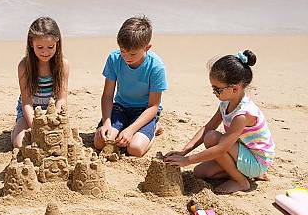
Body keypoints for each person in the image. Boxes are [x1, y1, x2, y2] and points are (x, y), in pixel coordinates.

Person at [165, 50, 274, 194]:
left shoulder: (242, 115)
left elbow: (221, 148)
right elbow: (208, 126)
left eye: (217, 89)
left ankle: (241, 182)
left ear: (235, 88)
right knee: (200, 172)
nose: (214, 92)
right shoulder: (226, 102)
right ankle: (247, 175)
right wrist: (185, 151)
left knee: (212, 138)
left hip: (256, 160)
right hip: (241, 151)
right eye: (212, 88)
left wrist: (187, 160)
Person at [94, 15, 167, 157]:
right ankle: (122, 128)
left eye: (133, 53)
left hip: (144, 111)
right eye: (123, 51)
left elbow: (153, 106)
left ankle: (153, 128)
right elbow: (108, 95)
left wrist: (131, 130)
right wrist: (107, 122)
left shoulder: (156, 66)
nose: (127, 57)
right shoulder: (114, 58)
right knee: (100, 143)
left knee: (135, 149)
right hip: (120, 107)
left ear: (147, 47)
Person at [11, 17, 69, 148]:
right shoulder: (24, 66)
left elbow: (61, 99)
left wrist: (53, 119)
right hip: (30, 111)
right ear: (32, 43)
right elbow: (26, 103)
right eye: (40, 47)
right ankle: (16, 130)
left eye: (50, 47)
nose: (45, 52)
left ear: (57, 43)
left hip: (52, 110)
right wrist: (37, 127)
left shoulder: (63, 64)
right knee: (20, 144)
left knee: (60, 142)